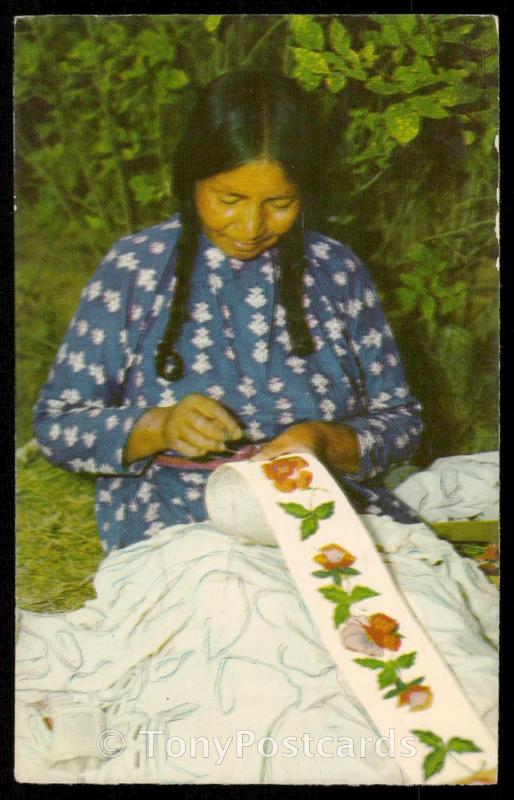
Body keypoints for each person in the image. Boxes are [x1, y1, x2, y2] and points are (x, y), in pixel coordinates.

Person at [33, 70, 423, 553]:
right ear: (191, 181)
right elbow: (58, 427)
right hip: (178, 526)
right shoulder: (136, 268)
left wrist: (323, 442)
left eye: (280, 203)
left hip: (324, 513)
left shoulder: (336, 270)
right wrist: (160, 426)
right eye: (229, 199)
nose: (251, 226)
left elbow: (402, 422)